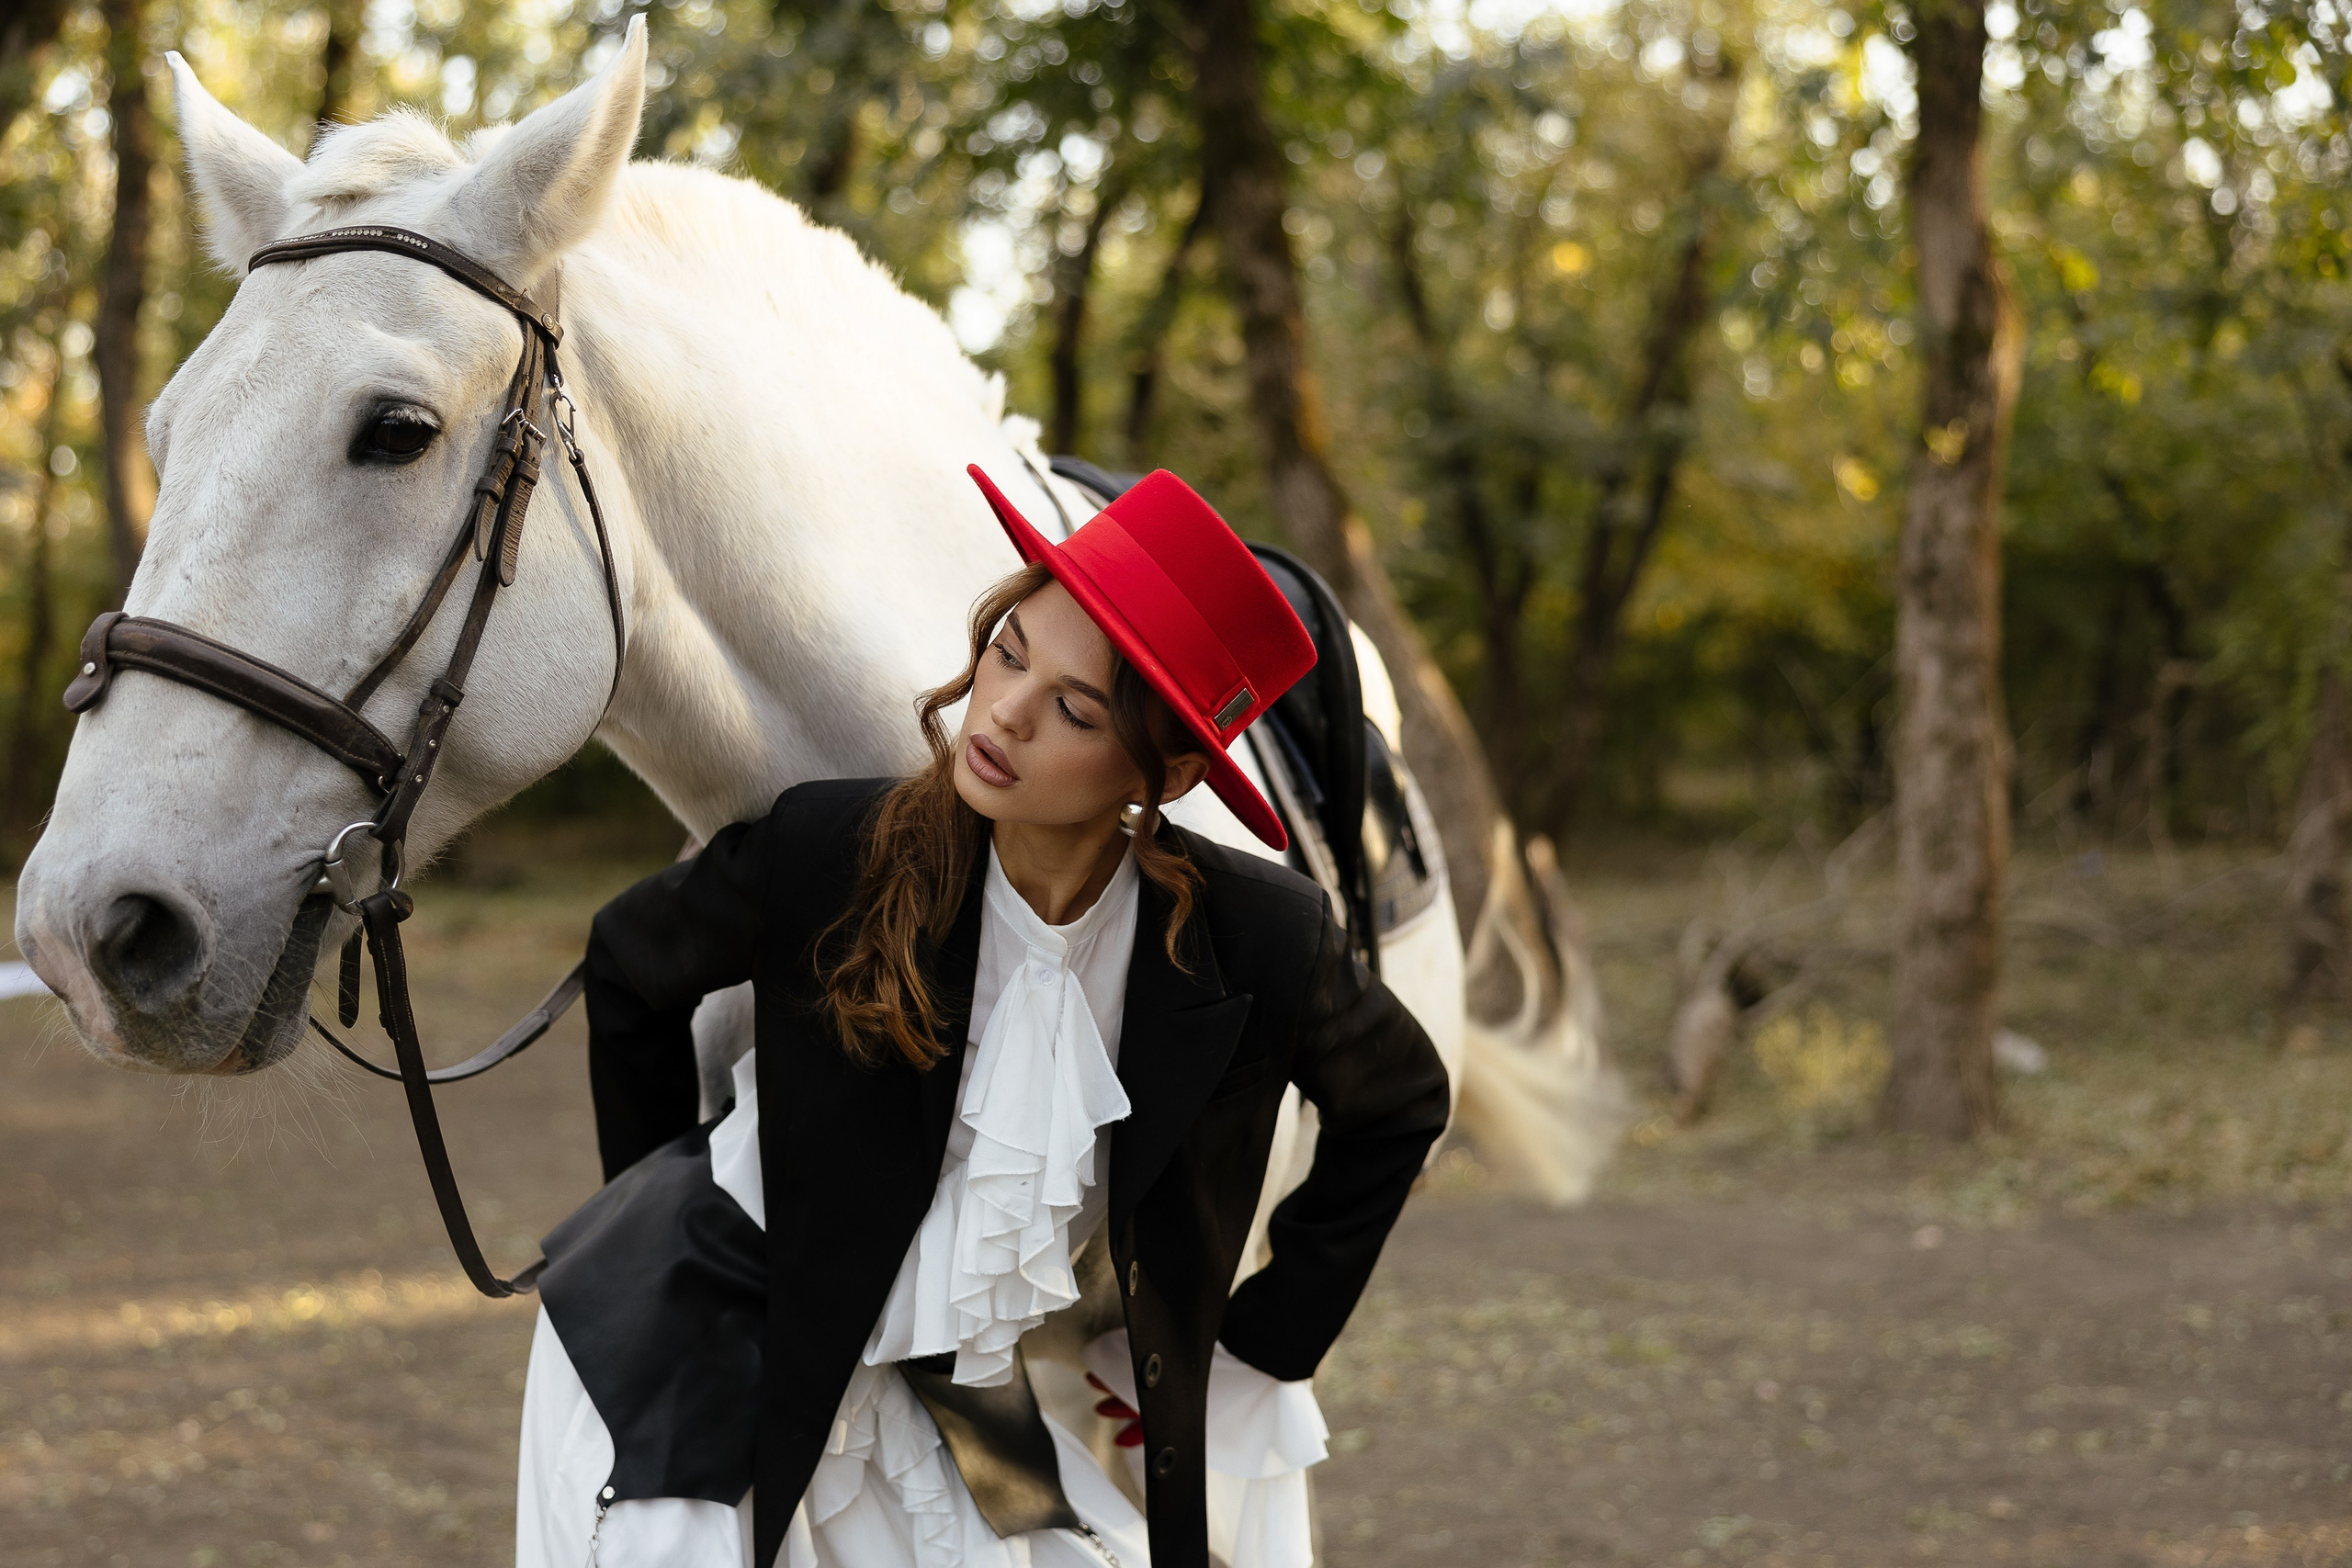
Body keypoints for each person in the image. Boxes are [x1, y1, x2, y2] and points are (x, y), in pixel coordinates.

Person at [514, 466, 1451, 1568]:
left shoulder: (1252, 937)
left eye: (1074, 707)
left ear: (1169, 768)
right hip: (698, 1315)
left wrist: (1256, 1348)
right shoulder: (829, 850)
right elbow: (629, 965)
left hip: (929, 1382)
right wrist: (650, 1210)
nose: (1001, 712)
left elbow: (1400, 1103)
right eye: (1009, 650)